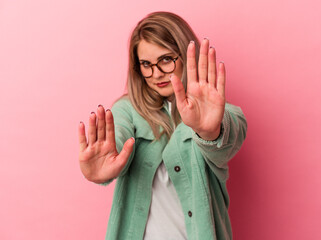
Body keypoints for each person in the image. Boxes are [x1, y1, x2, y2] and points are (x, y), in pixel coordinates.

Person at [78, 11, 247, 240]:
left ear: (186, 56)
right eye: (146, 64)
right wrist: (104, 163)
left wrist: (208, 131)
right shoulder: (127, 110)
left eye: (166, 59)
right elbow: (117, 132)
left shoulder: (217, 112)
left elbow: (231, 131)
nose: (156, 73)